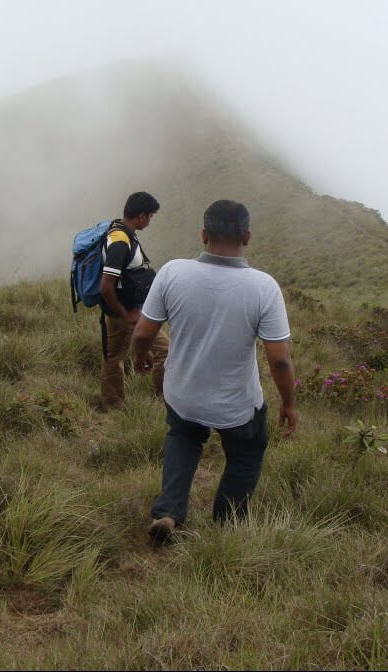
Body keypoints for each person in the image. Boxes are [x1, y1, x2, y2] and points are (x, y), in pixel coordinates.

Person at [131, 199, 298, 545]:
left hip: (184, 395)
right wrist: (289, 403)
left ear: (204, 234)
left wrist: (140, 357)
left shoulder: (173, 272)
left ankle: (168, 511)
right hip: (236, 404)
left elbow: (144, 333)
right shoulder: (264, 287)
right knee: (247, 452)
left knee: (183, 437)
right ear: (247, 237)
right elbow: (279, 360)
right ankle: (227, 521)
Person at [99, 191, 169, 411]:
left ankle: (113, 404)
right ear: (141, 216)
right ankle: (163, 400)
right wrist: (125, 314)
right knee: (165, 349)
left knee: (113, 355)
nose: (149, 221)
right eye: (150, 216)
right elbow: (106, 285)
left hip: (120, 310)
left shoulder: (122, 231)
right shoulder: (120, 241)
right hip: (125, 311)